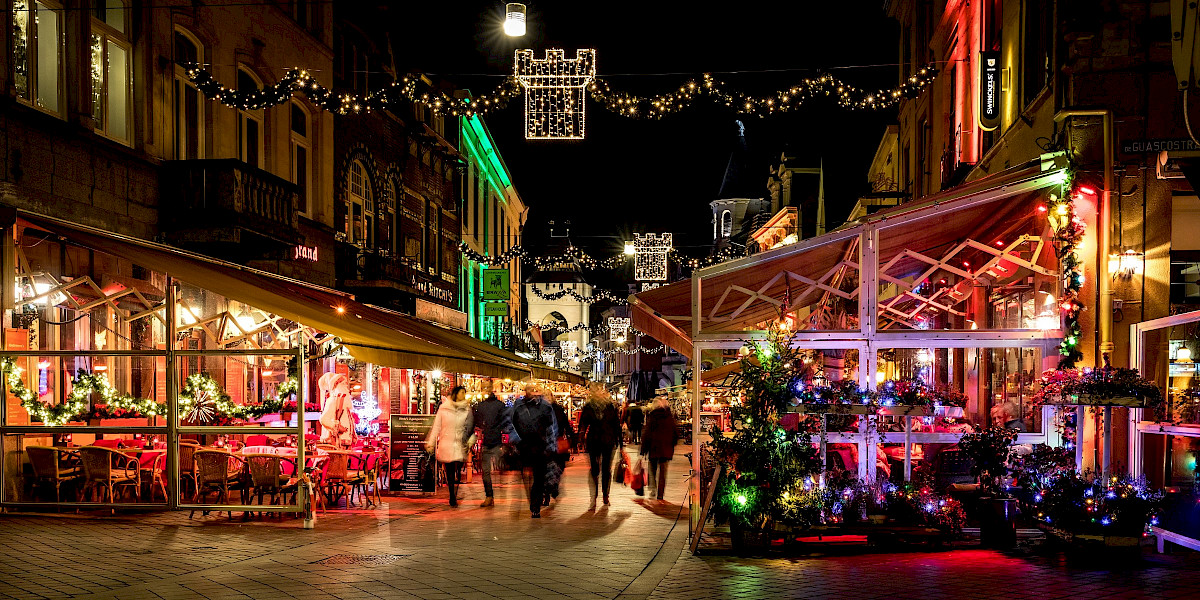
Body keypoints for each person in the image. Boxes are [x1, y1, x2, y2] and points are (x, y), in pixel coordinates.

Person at [511, 382, 557, 518]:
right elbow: (511, 424)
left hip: (540, 447)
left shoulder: (545, 406)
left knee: (538, 478)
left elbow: (551, 426)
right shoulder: (518, 406)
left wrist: (551, 445)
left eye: (536, 389)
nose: (534, 392)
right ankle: (533, 501)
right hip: (524, 446)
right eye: (531, 389)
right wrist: (515, 441)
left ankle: (535, 506)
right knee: (527, 478)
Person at [425, 386, 474, 507]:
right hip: (446, 443)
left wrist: (469, 441)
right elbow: (436, 426)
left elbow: (470, 427)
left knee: (457, 470)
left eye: (464, 393)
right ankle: (452, 495)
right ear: (456, 394)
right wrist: (431, 442)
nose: (463, 395)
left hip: (460, 444)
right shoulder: (444, 408)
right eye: (462, 393)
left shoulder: (466, 409)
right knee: (450, 470)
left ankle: (454, 491)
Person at [577, 386, 622, 510]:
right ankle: (594, 495)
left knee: (606, 469)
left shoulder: (610, 407)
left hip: (608, 441)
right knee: (594, 469)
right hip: (593, 441)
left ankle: (605, 494)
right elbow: (583, 423)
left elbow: (616, 425)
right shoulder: (589, 406)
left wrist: (620, 443)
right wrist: (580, 438)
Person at [473, 380, 514, 507]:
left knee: (490, 471)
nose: (486, 389)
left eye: (487, 387)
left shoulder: (485, 406)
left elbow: (478, 423)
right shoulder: (496, 405)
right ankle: (490, 495)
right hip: (491, 442)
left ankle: (490, 495)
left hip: (493, 442)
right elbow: (507, 422)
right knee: (490, 471)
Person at [640, 397, 677, 501]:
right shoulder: (669, 417)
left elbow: (646, 435)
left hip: (654, 448)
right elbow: (675, 433)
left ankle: (653, 489)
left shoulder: (652, 417)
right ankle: (660, 493)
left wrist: (643, 450)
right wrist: (671, 445)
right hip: (666, 449)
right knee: (663, 472)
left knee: (652, 470)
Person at [546, 395, 574, 505]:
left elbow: (566, 424)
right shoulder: (540, 410)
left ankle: (553, 486)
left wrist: (571, 436)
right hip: (547, 443)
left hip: (557, 442)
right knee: (549, 467)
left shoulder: (558, 409)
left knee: (558, 467)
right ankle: (549, 490)